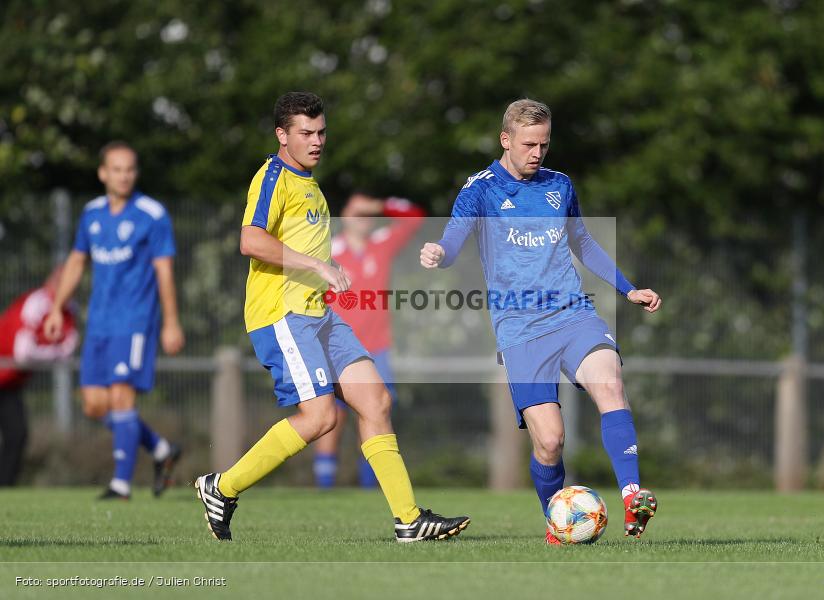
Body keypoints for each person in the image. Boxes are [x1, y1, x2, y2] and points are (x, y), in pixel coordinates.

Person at [193, 91, 469, 543]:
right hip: (283, 316)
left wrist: (321, 273)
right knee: (321, 417)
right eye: (306, 133)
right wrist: (317, 264)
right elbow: (249, 241)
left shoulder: (312, 184)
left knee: (376, 400)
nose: (317, 141)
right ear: (282, 135)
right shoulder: (273, 178)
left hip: (319, 314)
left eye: (321, 132)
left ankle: (409, 519)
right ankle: (221, 488)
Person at [420, 99, 661, 544]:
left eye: (544, 145)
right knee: (549, 442)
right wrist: (440, 252)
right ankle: (558, 523)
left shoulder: (560, 185)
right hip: (521, 329)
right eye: (529, 144)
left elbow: (583, 241)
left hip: (573, 313)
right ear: (505, 140)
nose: (537, 153)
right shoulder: (481, 189)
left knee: (609, 383)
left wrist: (627, 288)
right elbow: (455, 235)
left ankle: (632, 497)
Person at [44, 141, 184, 500]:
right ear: (103, 173)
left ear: (135, 173)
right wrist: (58, 307)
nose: (124, 176)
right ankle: (161, 450)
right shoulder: (91, 214)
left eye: (130, 169)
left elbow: (164, 270)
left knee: (122, 397)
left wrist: (171, 321)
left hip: (135, 320)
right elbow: (76, 262)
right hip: (100, 323)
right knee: (93, 403)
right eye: (116, 169)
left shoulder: (152, 214)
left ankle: (120, 485)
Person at [314, 193, 425, 488]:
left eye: (366, 212)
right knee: (329, 421)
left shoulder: (381, 244)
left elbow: (415, 216)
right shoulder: (329, 250)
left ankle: (371, 491)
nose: (361, 216)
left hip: (377, 351)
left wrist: (378, 205)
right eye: (355, 210)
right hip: (335, 351)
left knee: (376, 415)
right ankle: (324, 494)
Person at [0, 268, 79, 486]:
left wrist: (53, 353)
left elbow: (69, 347)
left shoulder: (69, 310)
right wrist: (54, 354)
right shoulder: (35, 304)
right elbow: (23, 353)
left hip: (9, 383)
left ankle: (5, 488)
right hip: (5, 374)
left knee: (17, 435)